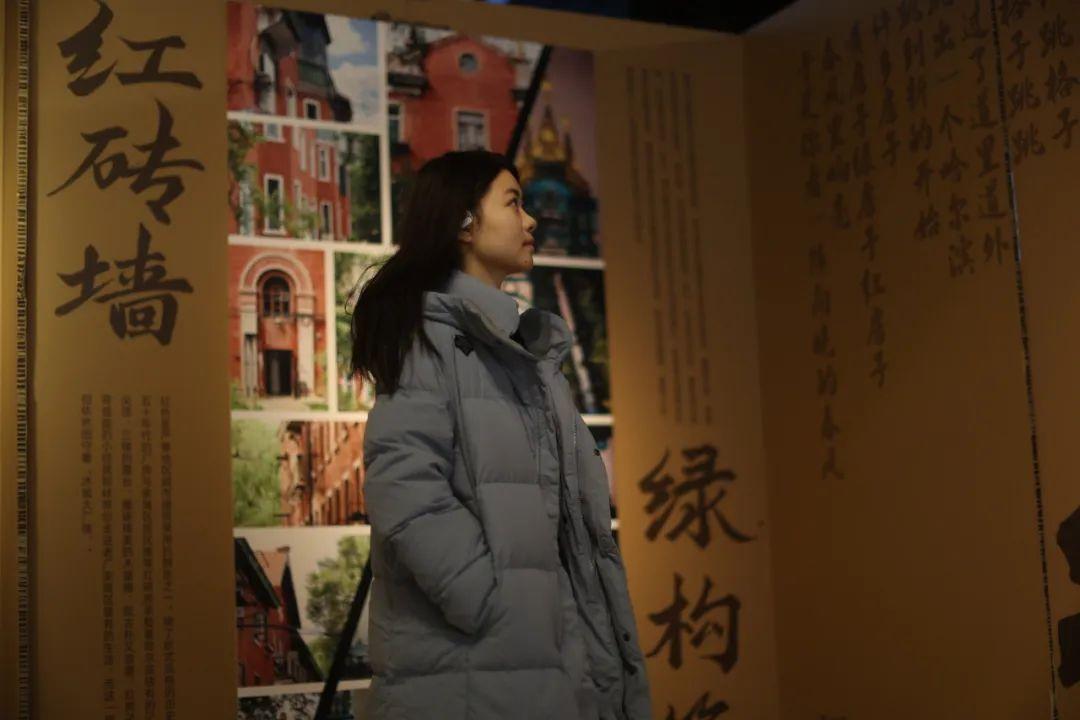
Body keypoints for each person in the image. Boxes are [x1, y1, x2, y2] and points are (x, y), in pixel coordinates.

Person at [348, 149, 652, 719]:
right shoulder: (429, 340)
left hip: (533, 664)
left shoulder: (521, 350)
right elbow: (404, 487)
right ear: (464, 222)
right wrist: (489, 600)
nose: (530, 219)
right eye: (513, 203)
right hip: (475, 668)